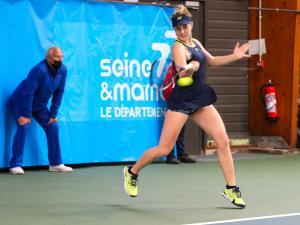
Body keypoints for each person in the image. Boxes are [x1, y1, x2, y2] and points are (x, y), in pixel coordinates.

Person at [123, 5, 249, 208]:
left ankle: (231, 188)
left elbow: (214, 61)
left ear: (191, 24)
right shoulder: (177, 47)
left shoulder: (196, 43)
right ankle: (132, 171)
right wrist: (190, 68)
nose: (181, 31)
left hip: (199, 99)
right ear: (175, 30)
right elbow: (182, 75)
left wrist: (235, 55)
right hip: (181, 102)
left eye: (184, 26)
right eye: (177, 28)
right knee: (164, 148)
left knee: (223, 141)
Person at [9, 46, 73, 175]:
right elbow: (28, 92)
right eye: (57, 57)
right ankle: (15, 165)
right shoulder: (38, 70)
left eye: (61, 57)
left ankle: (55, 164)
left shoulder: (63, 70)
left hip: (39, 105)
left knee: (53, 126)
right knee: (24, 125)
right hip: (21, 101)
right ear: (48, 59)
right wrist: (26, 115)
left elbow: (59, 92)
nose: (60, 59)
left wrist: (53, 114)